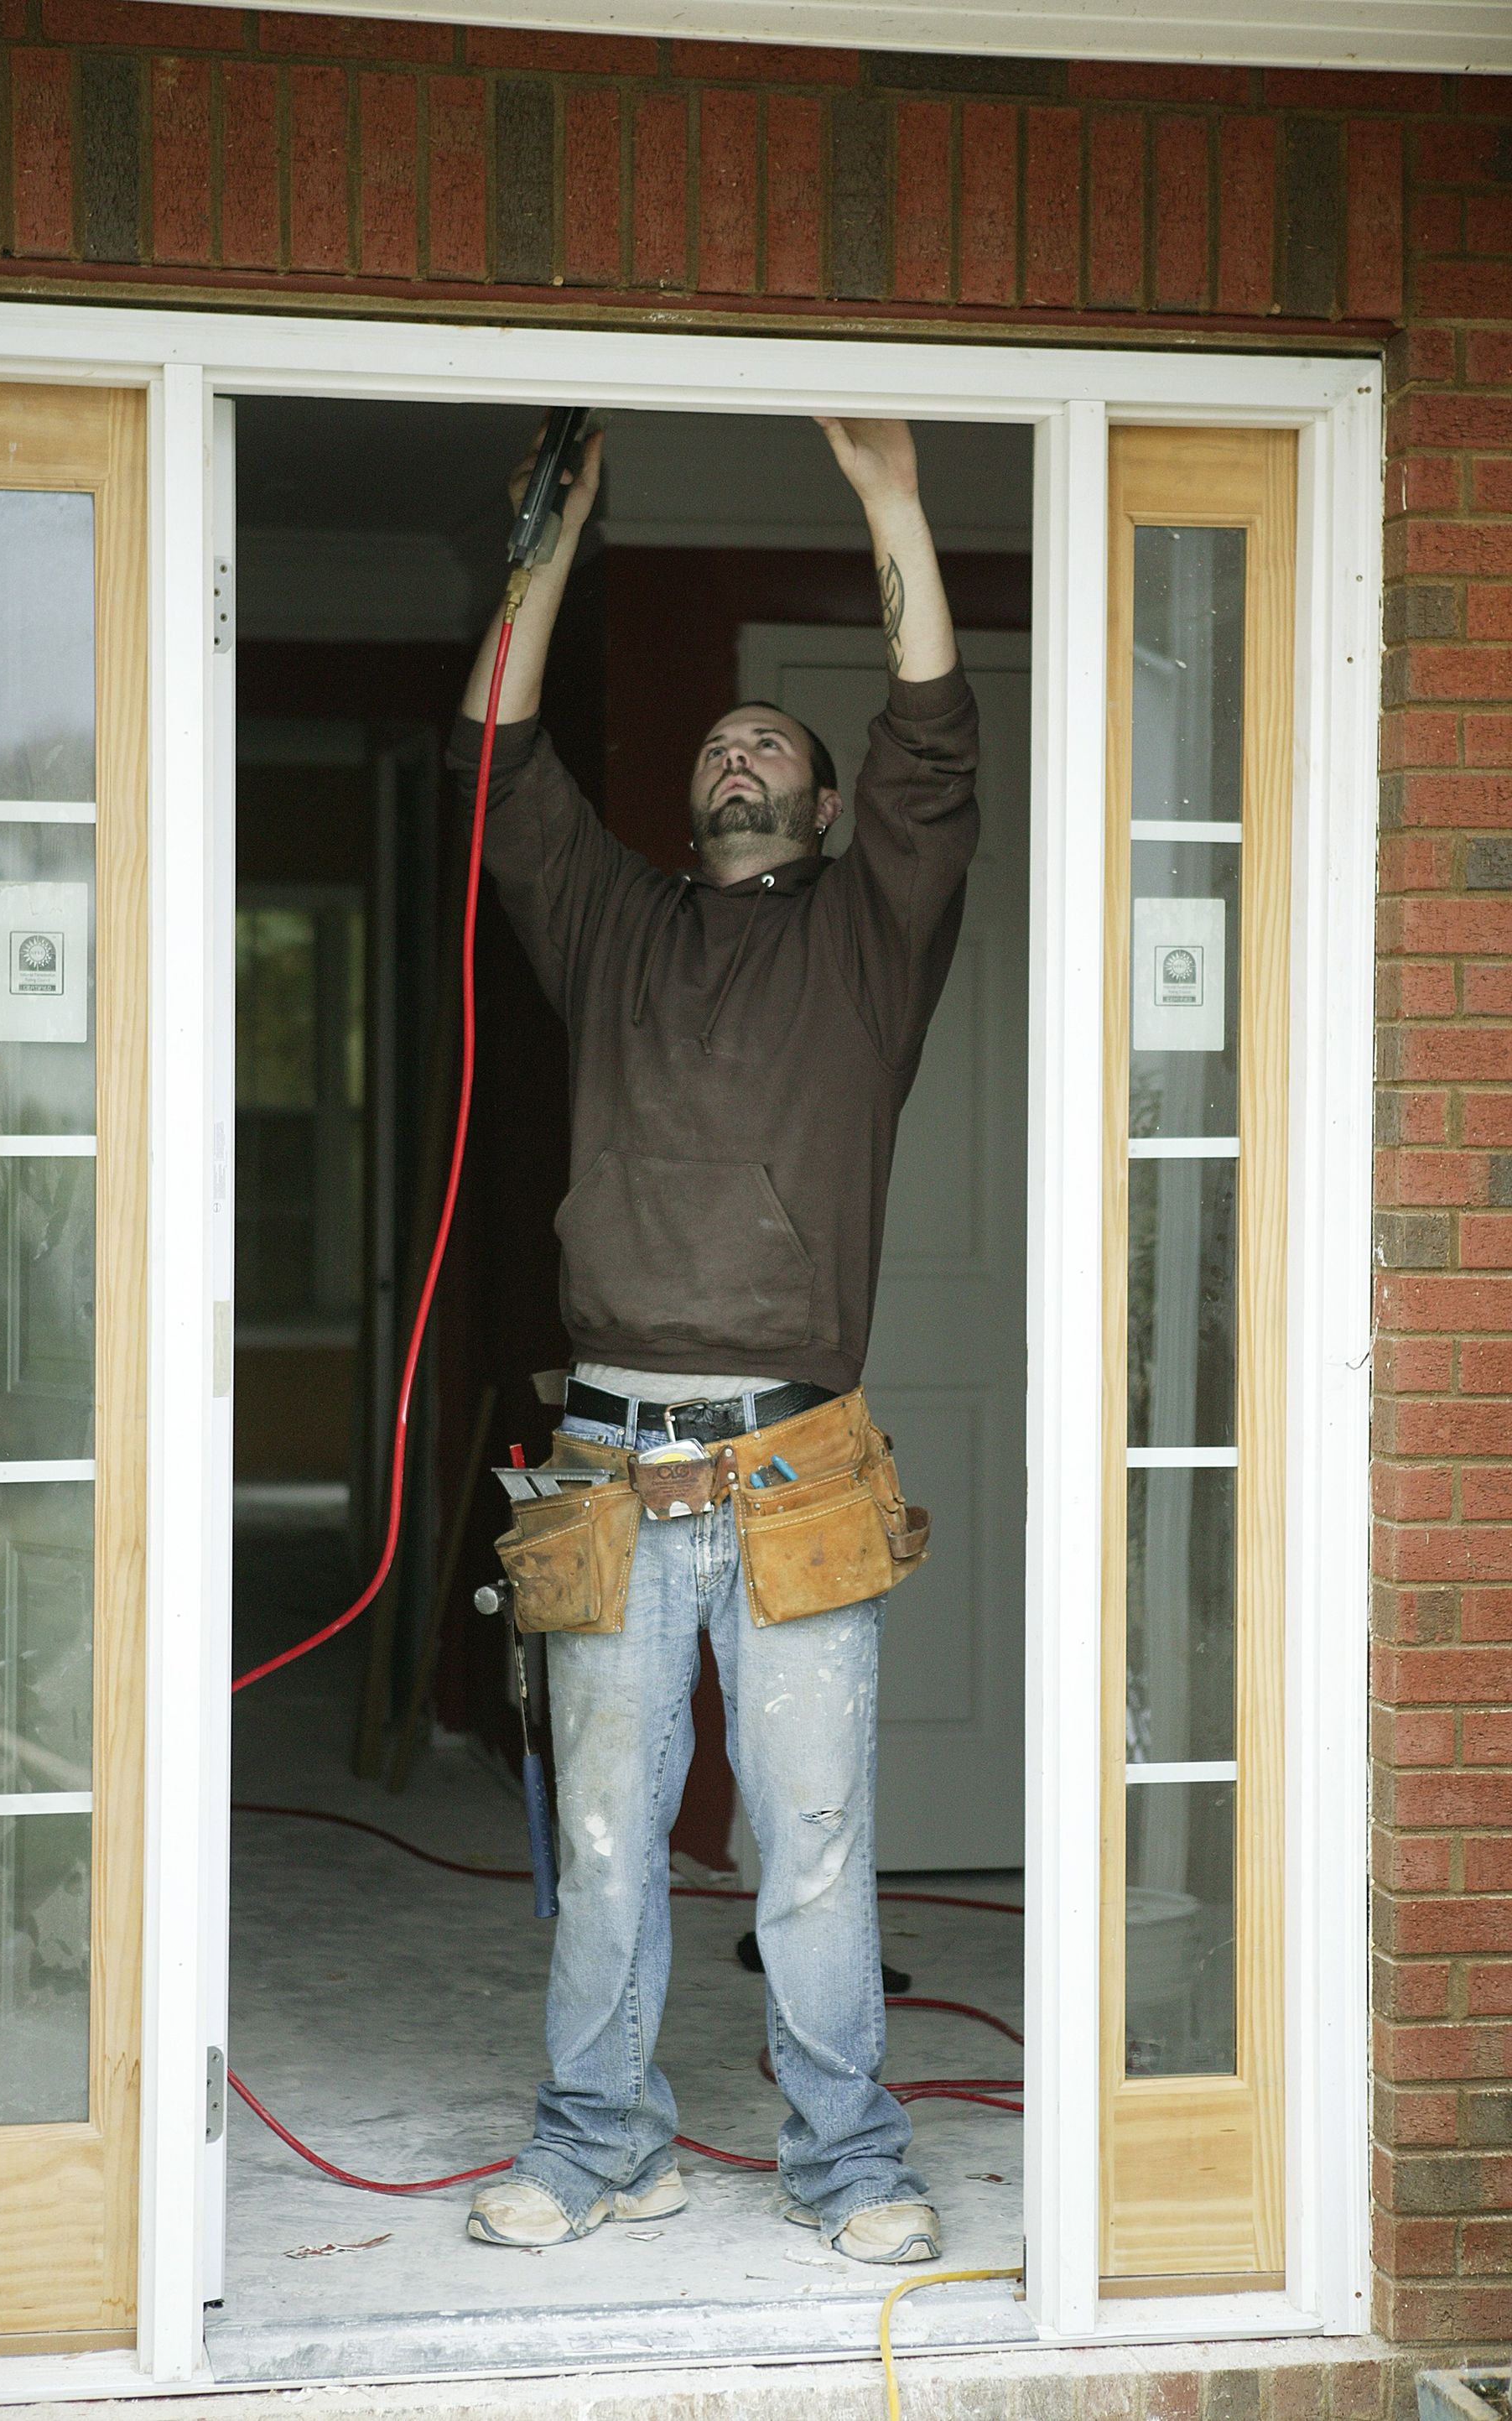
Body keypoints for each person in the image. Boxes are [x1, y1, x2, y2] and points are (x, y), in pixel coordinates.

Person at [448, 418, 980, 2265]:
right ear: (692, 806)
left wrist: (890, 501)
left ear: (827, 813)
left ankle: (850, 2164)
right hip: (605, 1458)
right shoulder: (609, 925)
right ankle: (600, 2144)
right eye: (716, 743)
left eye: (780, 745)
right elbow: (500, 757)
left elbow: (935, 734)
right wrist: (561, 530)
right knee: (606, 1844)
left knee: (811, 1847)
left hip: (793, 1466)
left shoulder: (866, 944)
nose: (740, 745)